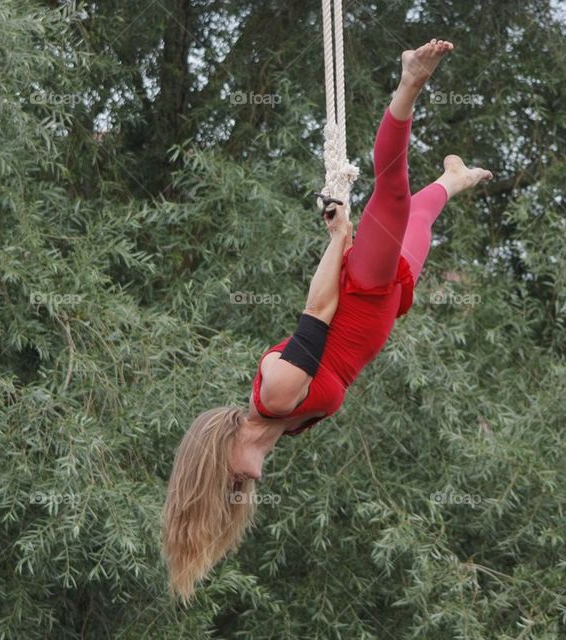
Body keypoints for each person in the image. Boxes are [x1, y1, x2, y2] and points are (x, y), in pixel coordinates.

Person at [162, 39, 493, 602]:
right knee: (419, 213)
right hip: (386, 304)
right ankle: (453, 178)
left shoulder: (278, 393)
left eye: (230, 482)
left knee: (391, 187)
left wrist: (340, 237)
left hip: (362, 289)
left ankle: (410, 79)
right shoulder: (283, 425)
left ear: (221, 454)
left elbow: (316, 310)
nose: (243, 486)